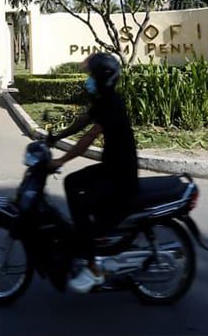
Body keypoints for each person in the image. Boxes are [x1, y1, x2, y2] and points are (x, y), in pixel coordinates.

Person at [44, 53, 138, 294]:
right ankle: (83, 241)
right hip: (111, 167)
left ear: (101, 78)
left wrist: (61, 159)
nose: (88, 81)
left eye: (91, 76)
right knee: (72, 182)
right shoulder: (103, 99)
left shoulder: (112, 104)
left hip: (120, 175)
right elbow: (82, 122)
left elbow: (88, 137)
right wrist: (57, 137)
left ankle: (93, 266)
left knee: (83, 202)